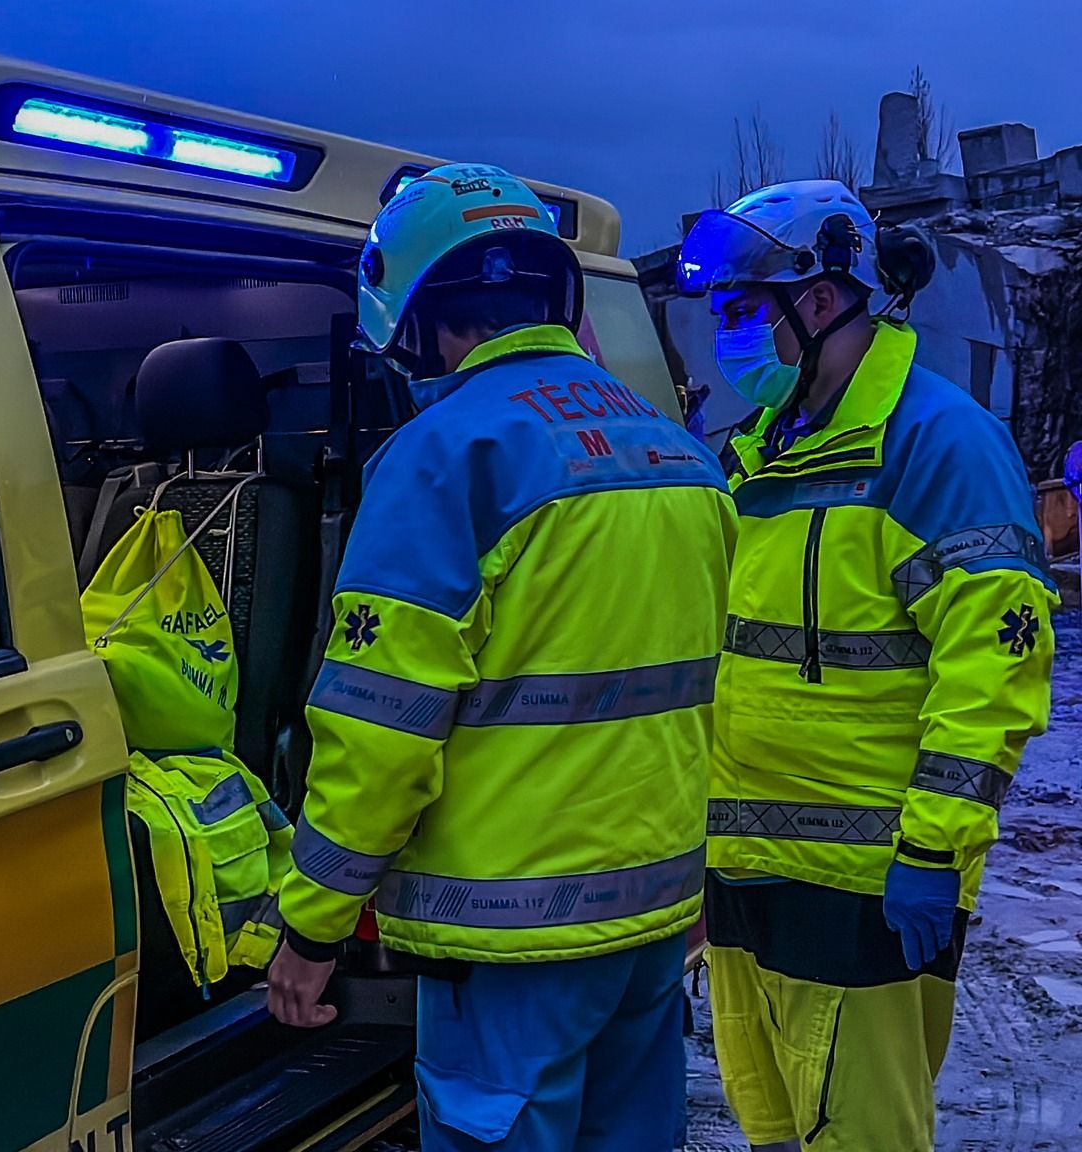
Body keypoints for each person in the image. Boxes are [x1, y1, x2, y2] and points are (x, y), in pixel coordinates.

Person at [265, 163, 736, 1150]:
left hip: (510, 931)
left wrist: (311, 927)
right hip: (650, 916)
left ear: (429, 317)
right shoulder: (675, 451)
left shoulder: (444, 455)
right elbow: (700, 694)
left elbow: (378, 734)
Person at [680, 180, 1055, 1152]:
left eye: (738, 310)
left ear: (817, 299)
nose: (725, 338)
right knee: (772, 1131)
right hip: (739, 878)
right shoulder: (754, 455)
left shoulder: (936, 445)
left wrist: (933, 851)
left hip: (865, 889)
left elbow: (993, 669)